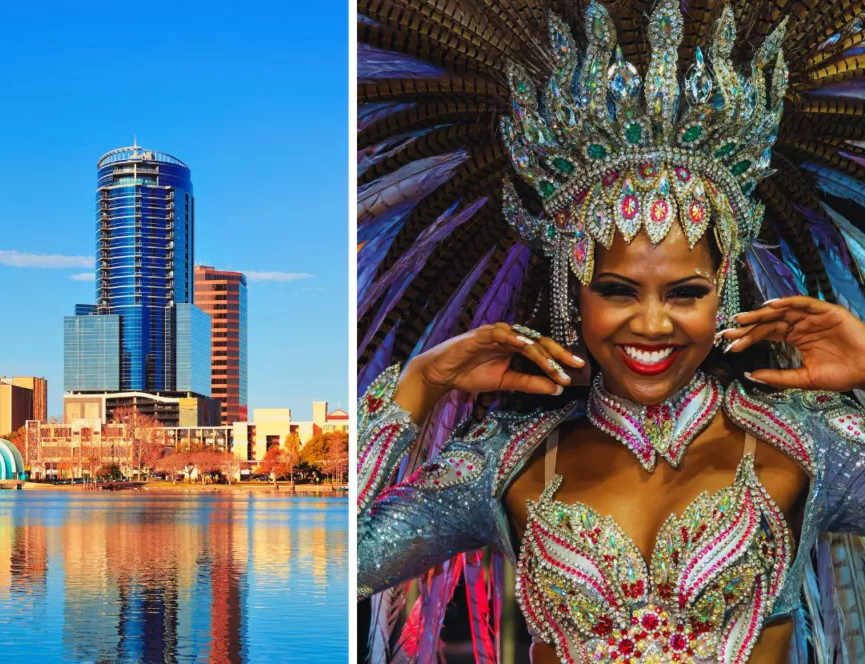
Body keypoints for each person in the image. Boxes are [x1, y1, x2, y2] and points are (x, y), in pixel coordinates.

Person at [356, 1, 865, 662]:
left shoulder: (810, 444)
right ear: (573, 293)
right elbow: (349, 562)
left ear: (725, 292)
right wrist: (423, 380)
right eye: (618, 290)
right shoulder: (505, 460)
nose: (651, 324)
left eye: (685, 293)